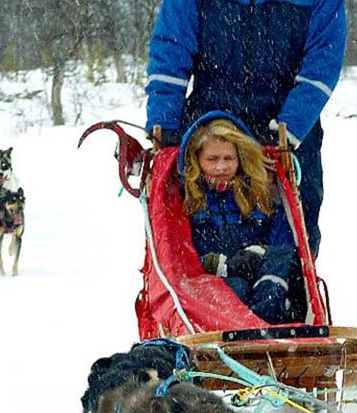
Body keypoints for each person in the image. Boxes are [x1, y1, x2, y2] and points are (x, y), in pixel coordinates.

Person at [146, 0, 345, 255]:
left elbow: (323, 62)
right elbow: (171, 51)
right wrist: (165, 121)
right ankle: (200, 275)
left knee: (296, 218)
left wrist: (290, 127)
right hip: (211, 120)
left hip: (286, 118)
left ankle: (282, 273)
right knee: (190, 215)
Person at [183, 117, 297, 324]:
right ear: (197, 159)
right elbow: (179, 258)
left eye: (228, 159)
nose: (221, 167)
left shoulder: (259, 193)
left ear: (240, 159)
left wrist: (258, 253)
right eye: (212, 159)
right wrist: (219, 264)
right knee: (237, 288)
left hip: (262, 276)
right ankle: (257, 325)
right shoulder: (188, 200)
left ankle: (266, 319)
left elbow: (283, 245)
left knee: (282, 259)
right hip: (215, 285)